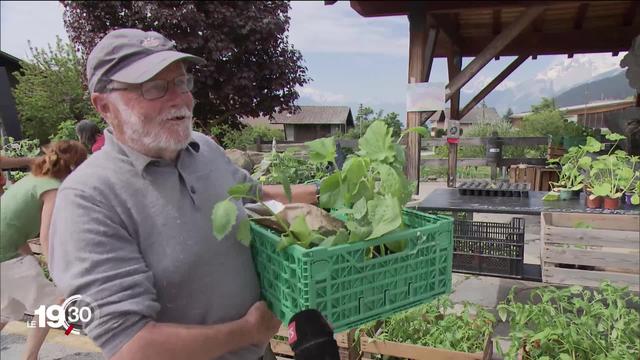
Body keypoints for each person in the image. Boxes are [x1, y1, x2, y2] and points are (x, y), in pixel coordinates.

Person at [48, 29, 317, 360]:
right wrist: (248, 331)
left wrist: (326, 200)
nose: (179, 99)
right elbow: (131, 345)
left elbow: (255, 197)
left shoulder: (203, 148)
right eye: (154, 88)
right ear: (105, 106)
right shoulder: (87, 198)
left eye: (181, 82)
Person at [0, 140, 88, 360]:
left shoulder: (32, 180)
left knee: (9, 308)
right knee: (51, 303)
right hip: (5, 254)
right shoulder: (52, 189)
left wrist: (30, 260)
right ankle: (30, 357)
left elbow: (11, 223)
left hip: (7, 251)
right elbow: (47, 234)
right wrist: (55, 269)